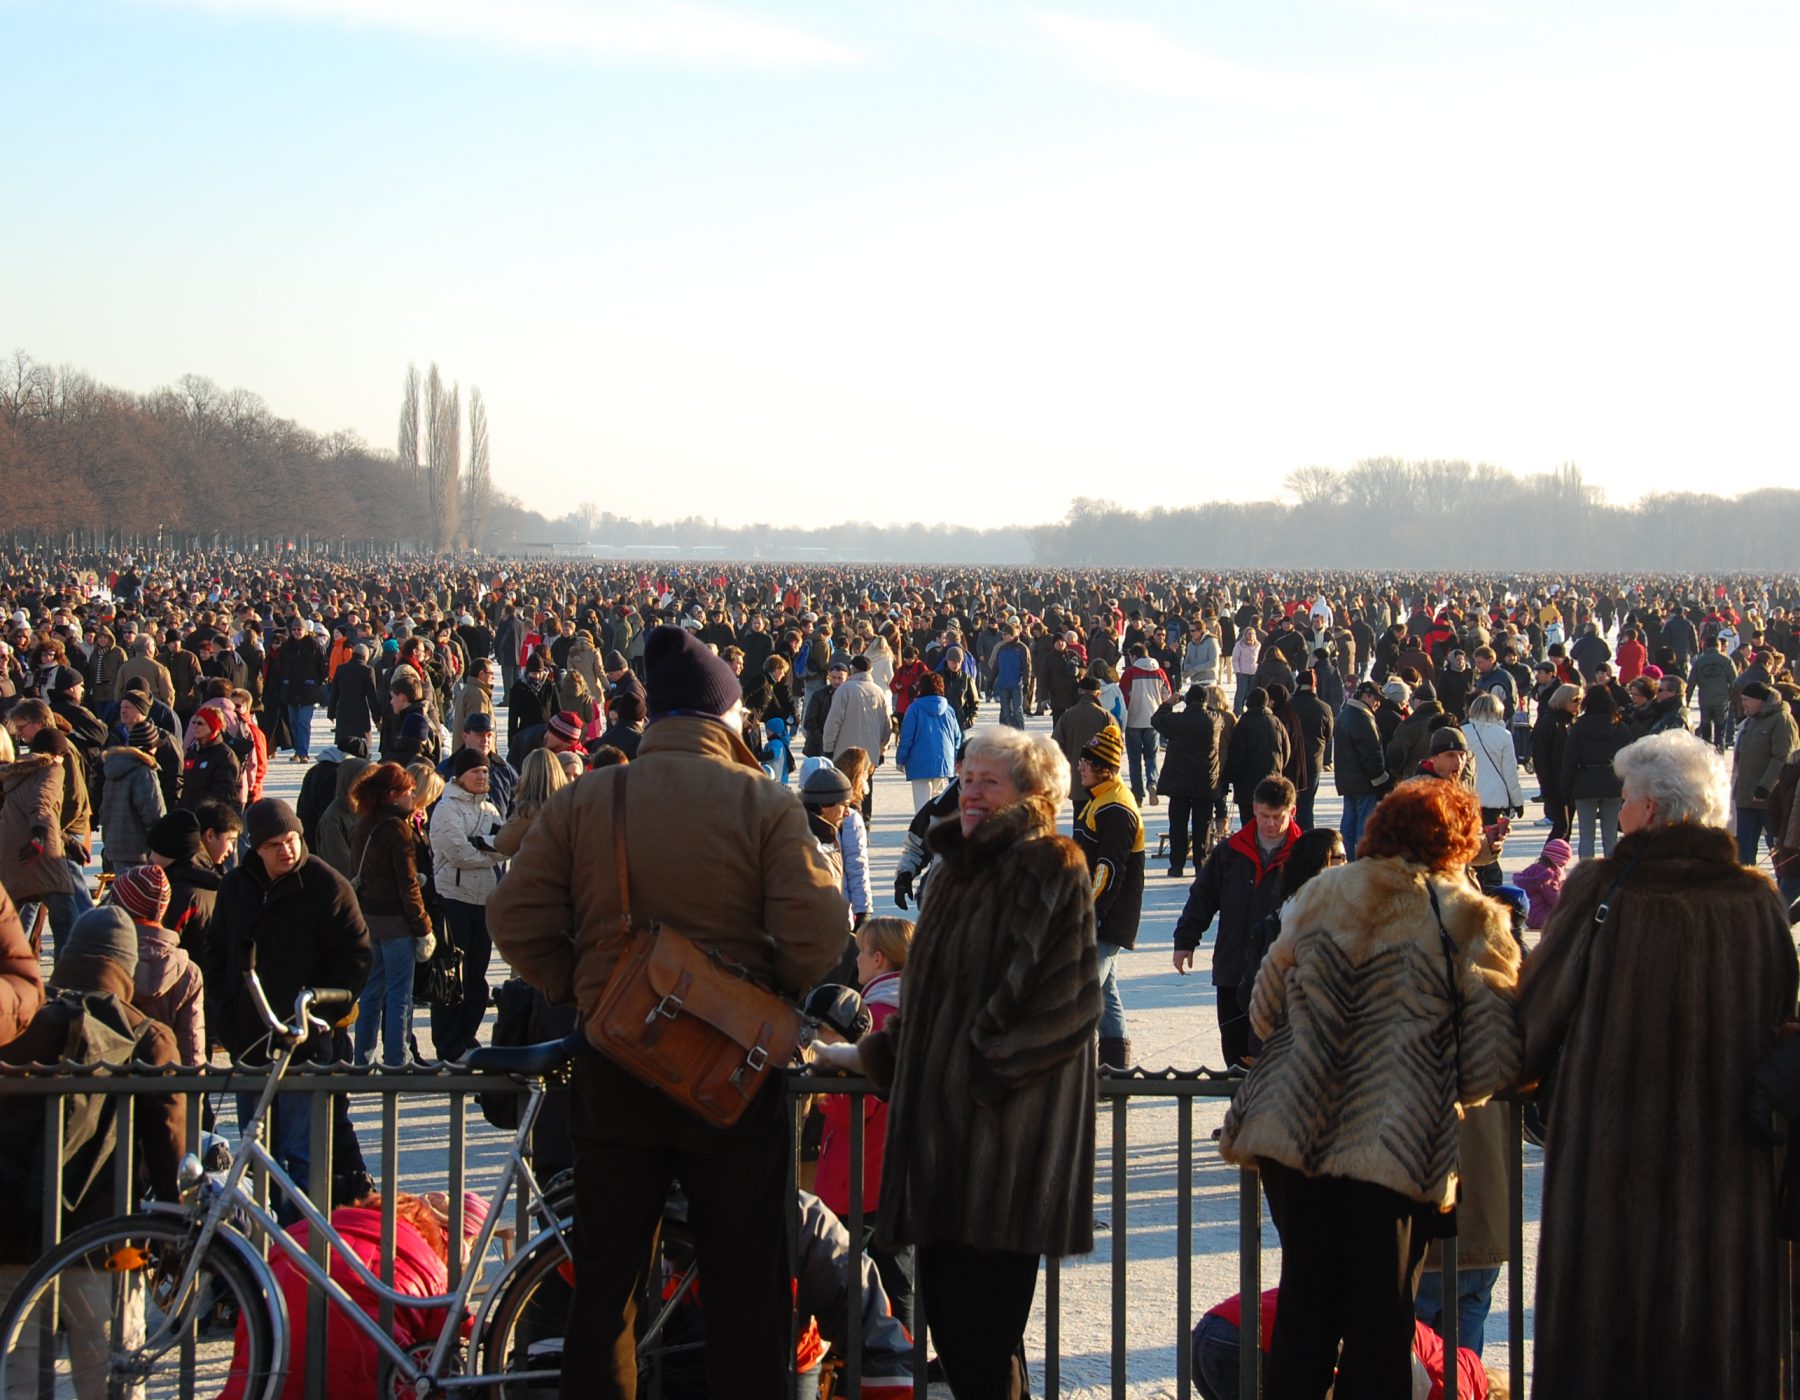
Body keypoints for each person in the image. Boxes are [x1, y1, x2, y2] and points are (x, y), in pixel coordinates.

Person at [488, 625, 845, 1400]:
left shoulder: (590, 796)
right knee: (746, 1290)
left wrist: (588, 988)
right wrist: (753, 995)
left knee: (606, 1289)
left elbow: (513, 919)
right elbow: (821, 936)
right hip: (737, 1073)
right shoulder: (764, 802)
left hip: (616, 1062)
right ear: (725, 718)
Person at [816, 725, 1098, 1400]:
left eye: (988, 780)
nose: (970, 792)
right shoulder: (954, 872)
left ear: (1030, 792)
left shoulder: (1049, 864)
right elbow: (930, 1002)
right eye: (967, 777)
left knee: (981, 1338)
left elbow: (1064, 1007)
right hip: (943, 1149)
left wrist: (969, 1079)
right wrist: (882, 1054)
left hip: (1003, 1149)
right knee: (957, 1332)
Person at [1221, 777, 1522, 1400]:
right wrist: (1438, 1092)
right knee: (1381, 1322)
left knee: (1306, 1307)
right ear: (1460, 841)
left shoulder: (1324, 891)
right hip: (1394, 1139)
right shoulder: (1468, 915)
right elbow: (1492, 1058)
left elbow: (1264, 1008)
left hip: (1292, 1133)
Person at [1518, 730, 1797, 1399]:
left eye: (1625, 798)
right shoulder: (1756, 902)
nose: (1619, 812)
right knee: (1716, 1341)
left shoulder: (1601, 889)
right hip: (1728, 1164)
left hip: (1611, 1166)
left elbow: (1534, 1018)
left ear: (1650, 809)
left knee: (1607, 1344)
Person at [208, 797, 372, 1214]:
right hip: (250, 1042)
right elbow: (215, 955)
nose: (287, 850)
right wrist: (225, 1015)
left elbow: (355, 961)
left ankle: (299, 1252)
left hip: (307, 1045)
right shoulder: (234, 886)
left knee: (304, 1156)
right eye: (275, 844)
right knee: (258, 1151)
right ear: (255, 848)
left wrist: (321, 1015)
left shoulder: (327, 885)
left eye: (292, 839)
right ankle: (264, 1250)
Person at [1173, 776, 1301, 1069]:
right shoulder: (1230, 852)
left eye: (1277, 817)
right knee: (1235, 1054)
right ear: (1254, 808)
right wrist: (1185, 941)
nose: (1270, 824)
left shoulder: (1305, 855)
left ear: (1291, 812)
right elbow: (1202, 898)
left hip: (1285, 974)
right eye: (1265, 816)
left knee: (1279, 1058)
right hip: (1233, 968)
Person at [348, 762, 435, 1067]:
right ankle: (398, 1057)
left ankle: (363, 1057)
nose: (414, 797)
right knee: (400, 995)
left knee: (372, 993)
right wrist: (423, 927)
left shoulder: (364, 823)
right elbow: (407, 884)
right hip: (397, 922)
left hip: (370, 918)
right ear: (394, 794)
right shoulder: (398, 828)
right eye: (410, 791)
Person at [1072, 724, 1144, 1070]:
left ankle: (1065, 1071)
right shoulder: (1101, 798)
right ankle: (1116, 1069)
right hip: (1104, 912)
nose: (1080, 767)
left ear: (1102, 766)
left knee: (1081, 992)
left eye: (1086, 762)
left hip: (1107, 915)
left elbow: (1109, 868)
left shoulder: (1115, 807)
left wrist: (1092, 910)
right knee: (1104, 991)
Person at [428, 748, 506, 1060]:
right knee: (451, 975)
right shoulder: (446, 810)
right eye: (476, 771)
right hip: (453, 899)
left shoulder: (489, 810)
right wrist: (487, 852)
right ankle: (448, 1044)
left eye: (485, 771)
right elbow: (458, 852)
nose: (482, 776)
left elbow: (504, 846)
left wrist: (487, 849)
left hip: (484, 898)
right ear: (461, 775)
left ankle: (467, 1035)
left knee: (477, 975)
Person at [113, 863, 206, 1068]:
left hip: (108, 1089)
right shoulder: (187, 972)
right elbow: (192, 1047)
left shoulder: (103, 960)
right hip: (164, 1086)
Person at [1152, 683, 1223, 878]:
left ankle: (1177, 864)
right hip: (1205, 781)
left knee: (1178, 824)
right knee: (1203, 824)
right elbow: (1216, 712)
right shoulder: (1214, 720)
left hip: (1179, 781)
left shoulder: (1178, 721)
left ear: (1188, 700)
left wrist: (1169, 703)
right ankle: (1200, 863)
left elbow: (1156, 720)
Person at [1731, 680, 1797, 866]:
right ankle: (1746, 889)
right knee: (1743, 852)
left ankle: (1780, 889)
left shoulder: (1781, 720)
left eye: (1747, 700)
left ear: (1761, 700)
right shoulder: (1751, 721)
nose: (1743, 704)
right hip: (1746, 797)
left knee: (1776, 850)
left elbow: (1783, 757)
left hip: (1769, 799)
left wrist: (1765, 787)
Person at [824, 655, 891, 822]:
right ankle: (864, 823)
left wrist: (828, 748)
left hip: (844, 751)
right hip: (870, 753)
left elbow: (833, 722)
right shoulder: (878, 691)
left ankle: (845, 823)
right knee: (865, 788)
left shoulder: (844, 690)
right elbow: (887, 725)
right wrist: (882, 748)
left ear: (852, 669)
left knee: (844, 789)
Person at [1333, 680, 1392, 857]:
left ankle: (1345, 859)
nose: (1378, 703)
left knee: (1348, 827)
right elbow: (1371, 752)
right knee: (1364, 829)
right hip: (1364, 782)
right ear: (1365, 696)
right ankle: (1360, 862)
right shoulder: (1363, 718)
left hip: (1346, 781)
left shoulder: (1345, 714)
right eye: (1376, 699)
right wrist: (1381, 778)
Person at [895, 671, 960, 813]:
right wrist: (955, 760)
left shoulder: (914, 709)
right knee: (939, 804)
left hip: (920, 763)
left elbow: (907, 737)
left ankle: (922, 832)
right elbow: (957, 738)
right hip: (944, 763)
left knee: (922, 806)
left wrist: (901, 759)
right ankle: (936, 832)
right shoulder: (949, 710)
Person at [1120, 643, 1173, 805]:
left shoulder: (1130, 672)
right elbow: (1167, 694)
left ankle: (1137, 794)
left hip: (1134, 720)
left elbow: (1123, 695)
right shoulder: (1159, 672)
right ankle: (1152, 783)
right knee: (1151, 756)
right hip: (1153, 720)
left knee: (1134, 760)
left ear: (1134, 656)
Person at [1514, 837, 1572, 931]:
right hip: (1543, 916)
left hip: (1529, 915)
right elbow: (1555, 899)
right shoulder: (1548, 876)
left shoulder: (1534, 868)